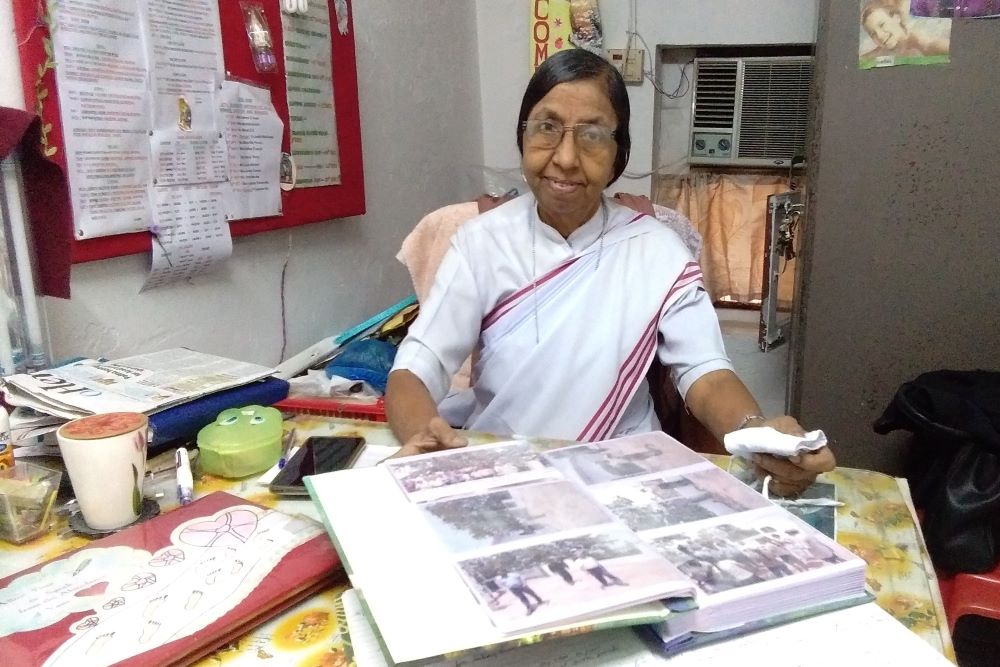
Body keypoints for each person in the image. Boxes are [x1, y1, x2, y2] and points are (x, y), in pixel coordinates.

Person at [385, 48, 835, 497]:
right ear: (523, 135)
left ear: (619, 152)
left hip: (624, 477)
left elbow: (705, 372)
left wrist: (757, 432)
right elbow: (416, 368)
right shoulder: (480, 243)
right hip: (506, 470)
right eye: (547, 127)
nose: (565, 157)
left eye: (592, 135)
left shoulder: (658, 249)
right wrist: (426, 438)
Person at [861, 0, 950, 58]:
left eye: (882, 25)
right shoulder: (881, 51)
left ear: (896, 17)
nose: (879, 36)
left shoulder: (917, 42)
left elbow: (932, 46)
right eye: (873, 34)